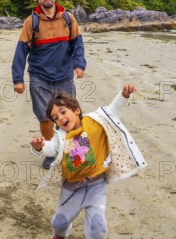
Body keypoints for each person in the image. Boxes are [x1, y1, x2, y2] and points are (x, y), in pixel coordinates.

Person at [29, 84, 147, 239]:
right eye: (55, 118)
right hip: (71, 187)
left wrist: (124, 95)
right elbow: (51, 148)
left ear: (76, 110)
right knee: (60, 223)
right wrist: (40, 147)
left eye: (63, 112)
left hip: (96, 186)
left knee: (97, 226)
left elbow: (114, 110)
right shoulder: (62, 136)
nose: (60, 118)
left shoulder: (95, 122)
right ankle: (59, 235)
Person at [12, 0, 86, 169]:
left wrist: (79, 65)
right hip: (39, 77)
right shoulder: (32, 22)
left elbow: (78, 44)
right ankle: (51, 151)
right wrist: (17, 79)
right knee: (45, 117)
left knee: (71, 116)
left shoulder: (68, 18)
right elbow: (21, 51)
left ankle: (74, 151)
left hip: (64, 76)